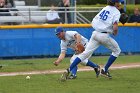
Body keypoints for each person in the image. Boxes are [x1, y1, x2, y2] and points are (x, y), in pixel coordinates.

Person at [61, 0, 123, 81]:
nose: (120, 3)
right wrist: (115, 32)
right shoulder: (116, 12)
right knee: (117, 51)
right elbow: (115, 27)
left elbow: (94, 20)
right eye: (119, 2)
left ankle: (68, 69)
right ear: (115, 3)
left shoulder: (105, 8)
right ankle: (104, 70)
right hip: (104, 35)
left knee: (84, 54)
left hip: (95, 33)